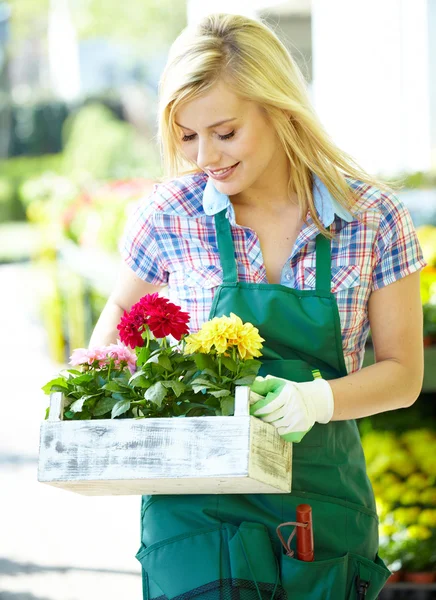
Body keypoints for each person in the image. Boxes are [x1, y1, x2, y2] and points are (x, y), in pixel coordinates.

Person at [89, 12, 426, 600]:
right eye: (186, 136)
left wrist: (316, 398)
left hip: (318, 507)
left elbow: (404, 374)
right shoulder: (169, 215)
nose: (203, 157)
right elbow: (114, 337)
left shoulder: (372, 217)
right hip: (194, 512)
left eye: (224, 132)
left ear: (278, 109)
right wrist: (103, 376)